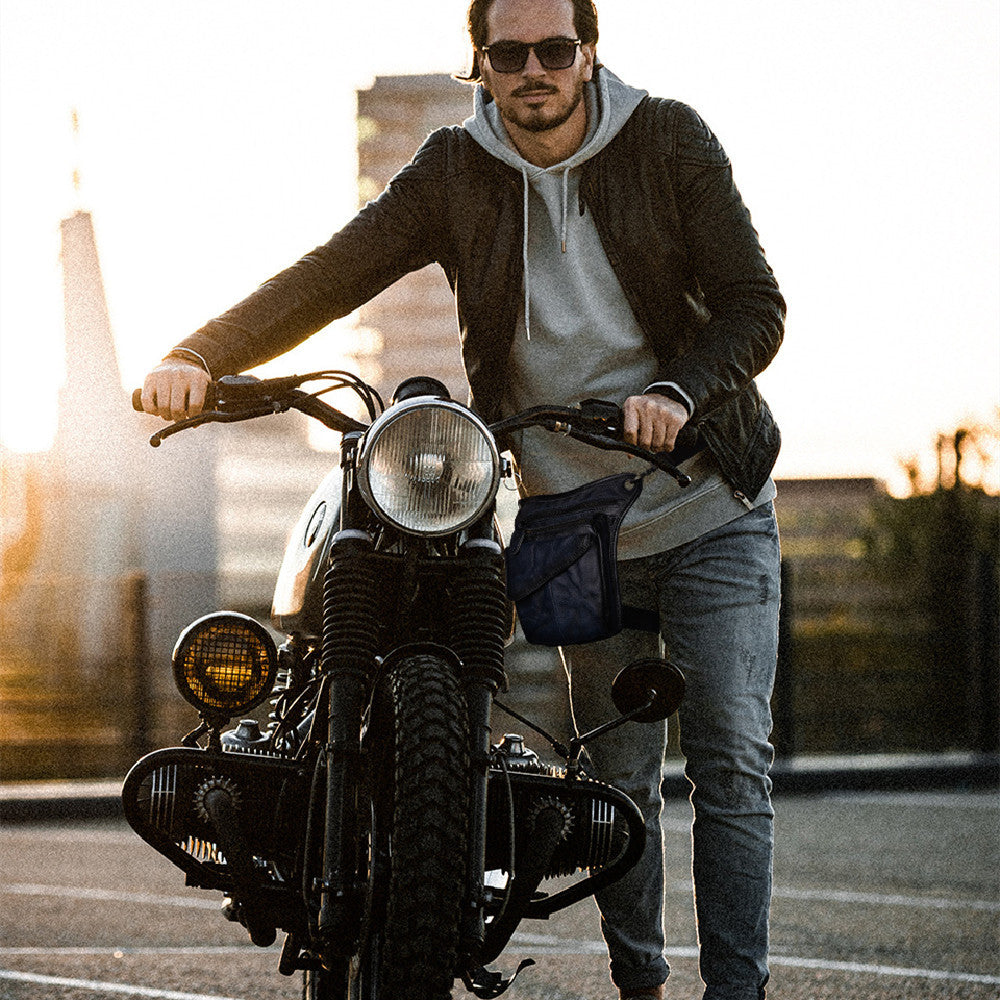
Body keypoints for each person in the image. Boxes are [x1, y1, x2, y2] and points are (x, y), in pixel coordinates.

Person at [141, 1, 785, 997]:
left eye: (556, 49)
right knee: (615, 780)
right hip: (574, 520)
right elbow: (332, 272)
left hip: (708, 501)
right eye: (511, 52)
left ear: (589, 53)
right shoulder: (453, 168)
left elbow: (755, 303)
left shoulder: (667, 139)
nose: (536, 70)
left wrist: (678, 392)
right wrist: (199, 352)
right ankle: (643, 986)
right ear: (480, 62)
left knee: (731, 763)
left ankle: (738, 993)